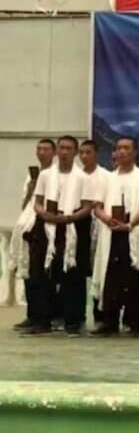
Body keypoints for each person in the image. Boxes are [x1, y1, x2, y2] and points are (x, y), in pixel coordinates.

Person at [27, 137, 93, 336]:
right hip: (46, 226)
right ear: (57, 152)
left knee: (74, 275)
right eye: (62, 148)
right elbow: (37, 201)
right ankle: (41, 321)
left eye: (69, 149)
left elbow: (88, 206)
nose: (64, 152)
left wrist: (70, 217)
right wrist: (43, 213)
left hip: (73, 226)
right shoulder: (46, 175)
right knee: (41, 272)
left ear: (75, 152)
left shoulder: (83, 177)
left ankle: (74, 321)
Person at [91, 137, 139, 337]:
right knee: (111, 276)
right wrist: (107, 219)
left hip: (133, 232)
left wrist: (131, 224)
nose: (122, 152)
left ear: (135, 152)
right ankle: (109, 321)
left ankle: (135, 322)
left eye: (126, 148)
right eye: (118, 148)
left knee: (134, 276)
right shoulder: (107, 178)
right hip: (111, 233)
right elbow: (97, 207)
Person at [9, 138, 56, 331]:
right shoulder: (32, 176)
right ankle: (32, 314)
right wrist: (31, 189)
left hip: (43, 226)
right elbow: (24, 204)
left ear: (53, 153)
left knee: (40, 275)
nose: (42, 152)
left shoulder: (55, 175)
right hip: (27, 225)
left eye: (46, 149)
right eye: (39, 149)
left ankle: (44, 318)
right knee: (27, 271)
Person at [79, 139, 110, 327]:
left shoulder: (106, 177)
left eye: (88, 152)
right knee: (78, 275)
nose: (84, 156)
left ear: (96, 154)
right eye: (81, 153)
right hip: (79, 229)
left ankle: (100, 316)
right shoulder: (76, 176)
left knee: (101, 272)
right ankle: (75, 316)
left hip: (100, 228)